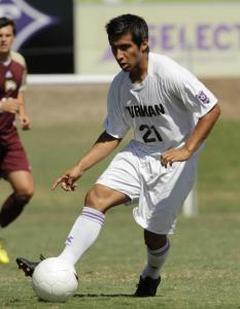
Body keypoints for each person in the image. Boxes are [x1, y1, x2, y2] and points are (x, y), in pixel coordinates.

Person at [16, 14, 220, 296]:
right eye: (114, 48)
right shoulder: (119, 85)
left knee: (154, 235)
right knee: (96, 197)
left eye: (125, 47)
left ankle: (151, 274)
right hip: (139, 153)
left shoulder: (169, 73)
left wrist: (187, 150)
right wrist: (79, 168)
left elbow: (212, 109)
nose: (119, 55)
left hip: (173, 161)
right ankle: (62, 265)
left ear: (144, 44)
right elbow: (113, 135)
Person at [0, 17, 34, 264]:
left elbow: (18, 94)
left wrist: (22, 114)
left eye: (8, 35)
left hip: (8, 138)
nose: (3, 39)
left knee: (25, 190)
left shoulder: (20, 62)